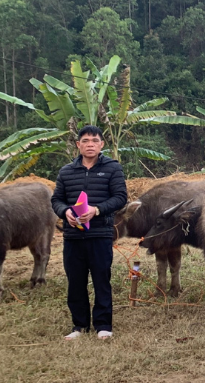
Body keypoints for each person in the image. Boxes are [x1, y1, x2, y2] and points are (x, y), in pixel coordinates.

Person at [50, 125, 128, 340]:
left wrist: (97, 210)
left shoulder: (112, 168)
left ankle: (103, 325)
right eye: (85, 141)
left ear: (102, 144)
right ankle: (79, 326)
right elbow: (56, 199)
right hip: (73, 236)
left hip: (100, 234)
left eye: (94, 140)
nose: (90, 144)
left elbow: (121, 197)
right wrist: (65, 211)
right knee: (75, 281)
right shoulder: (66, 171)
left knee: (101, 279)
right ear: (78, 145)